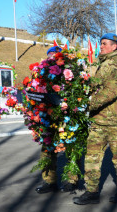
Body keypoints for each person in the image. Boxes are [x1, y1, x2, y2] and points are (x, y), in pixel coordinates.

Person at [73, 33, 117, 205]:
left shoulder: (116, 66)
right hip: (99, 120)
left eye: (105, 44)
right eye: (101, 43)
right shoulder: (103, 64)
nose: (102, 46)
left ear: (114, 46)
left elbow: (109, 93)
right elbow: (94, 86)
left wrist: (86, 104)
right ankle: (91, 192)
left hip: (116, 121)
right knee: (92, 156)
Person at [35, 45, 78, 194]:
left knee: (71, 148)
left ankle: (72, 181)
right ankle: (49, 181)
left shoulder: (71, 73)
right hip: (48, 116)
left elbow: (77, 94)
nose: (53, 58)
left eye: (56, 56)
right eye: (51, 55)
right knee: (47, 149)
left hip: (67, 117)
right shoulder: (41, 75)